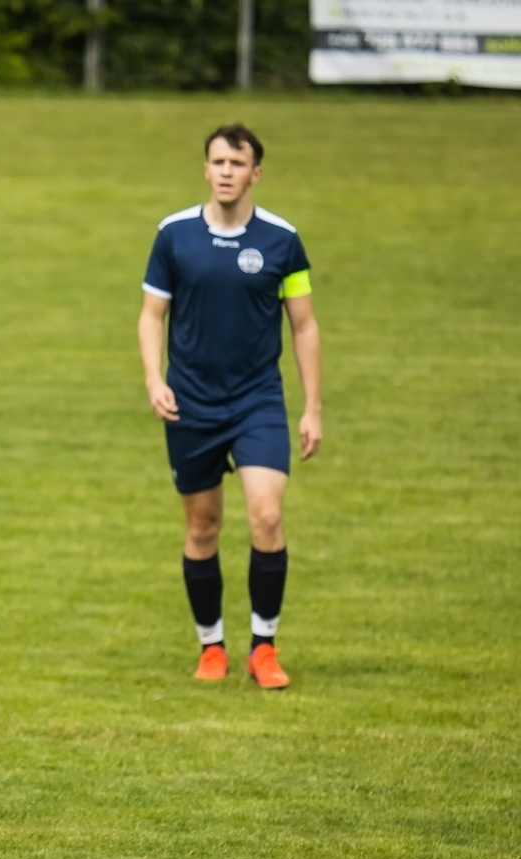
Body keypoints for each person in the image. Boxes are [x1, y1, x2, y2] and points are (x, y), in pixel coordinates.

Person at [137, 123, 323, 688]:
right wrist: (153, 378)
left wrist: (312, 406)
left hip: (257, 401)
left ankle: (263, 647)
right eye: (217, 162)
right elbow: (151, 316)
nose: (225, 171)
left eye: (236, 164)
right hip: (191, 403)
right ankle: (211, 645)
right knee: (203, 526)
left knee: (267, 513)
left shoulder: (282, 241)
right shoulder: (173, 236)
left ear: (255, 173)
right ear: (206, 168)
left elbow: (305, 325)